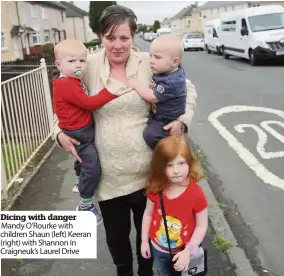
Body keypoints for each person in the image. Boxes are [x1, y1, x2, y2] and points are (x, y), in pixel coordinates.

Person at [54, 5, 197, 276]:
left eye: (124, 38)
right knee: (117, 240)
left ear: (133, 37)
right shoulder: (87, 65)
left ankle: (146, 272)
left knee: (149, 239)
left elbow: (186, 88)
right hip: (108, 177)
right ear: (100, 37)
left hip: (149, 175)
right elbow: (60, 99)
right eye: (110, 38)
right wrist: (58, 133)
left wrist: (183, 120)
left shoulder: (148, 62)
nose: (117, 45)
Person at [53, 39, 117, 224]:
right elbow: (89, 103)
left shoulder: (69, 80)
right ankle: (85, 204)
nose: (79, 65)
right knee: (92, 166)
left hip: (81, 129)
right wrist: (111, 91)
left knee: (81, 161)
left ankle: (79, 178)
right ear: (58, 64)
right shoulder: (67, 84)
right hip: (79, 133)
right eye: (72, 61)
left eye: (82, 60)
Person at [141, 135, 208, 276]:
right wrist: (144, 241)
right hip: (158, 248)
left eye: (181, 163)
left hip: (185, 251)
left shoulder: (196, 193)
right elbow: (147, 214)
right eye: (169, 165)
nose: (176, 170)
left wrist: (188, 251)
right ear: (160, 167)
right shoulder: (156, 187)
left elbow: (201, 226)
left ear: (190, 163)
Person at [127, 34, 187, 150]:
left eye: (157, 57)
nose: (151, 61)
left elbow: (152, 97)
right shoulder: (170, 69)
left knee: (150, 135)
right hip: (159, 115)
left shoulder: (171, 82)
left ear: (175, 62)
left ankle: (168, 153)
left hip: (167, 119)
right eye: (150, 55)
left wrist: (135, 84)